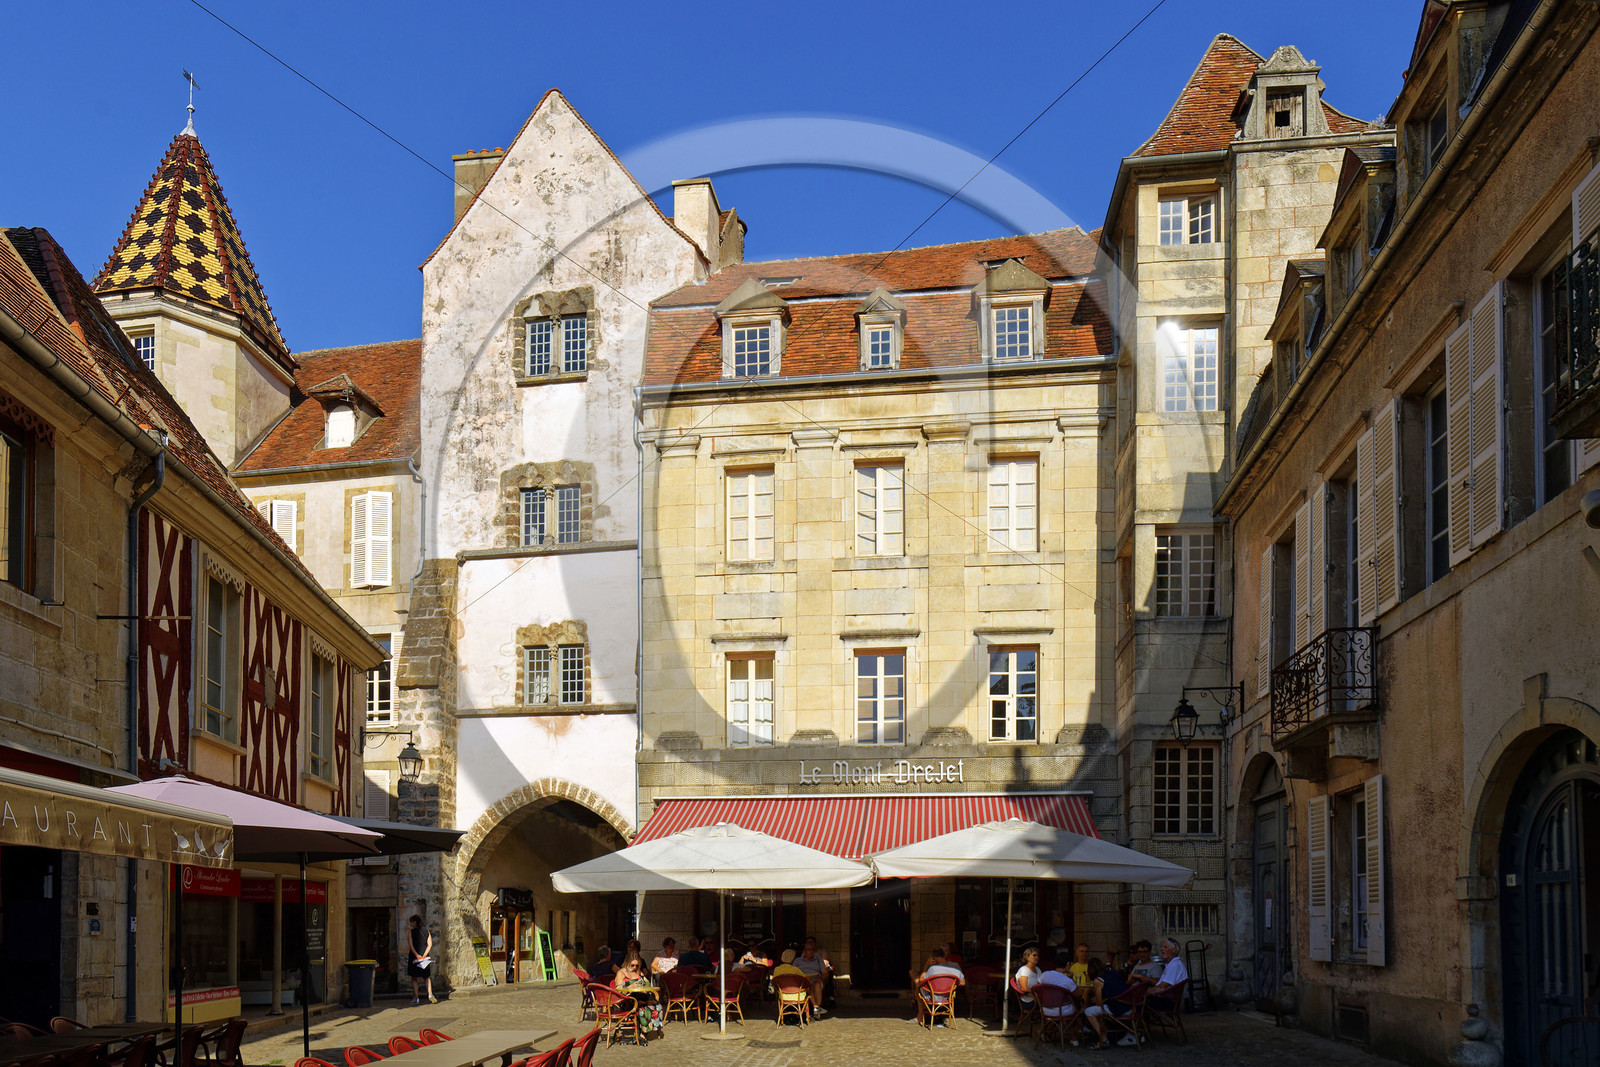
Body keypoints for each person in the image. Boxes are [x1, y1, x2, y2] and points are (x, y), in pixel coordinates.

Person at [1083, 958, 1129, 1050]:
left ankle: (1104, 1040)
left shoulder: (1098, 980)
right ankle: (1106, 1034)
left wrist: (1096, 999)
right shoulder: (1114, 973)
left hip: (1117, 1008)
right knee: (1099, 1010)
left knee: (1088, 1011)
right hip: (1129, 1006)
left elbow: (1099, 1004)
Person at [613, 951, 663, 1034]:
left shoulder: (639, 972)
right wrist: (630, 987)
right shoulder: (621, 973)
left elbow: (647, 984)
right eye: (632, 965)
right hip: (629, 999)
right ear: (627, 962)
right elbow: (618, 989)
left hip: (641, 996)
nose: (635, 967)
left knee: (657, 1005)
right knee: (643, 1008)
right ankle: (642, 1033)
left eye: (637, 965)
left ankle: (650, 1029)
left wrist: (644, 987)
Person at [916, 946, 965, 1026]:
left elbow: (921, 980)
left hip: (933, 997)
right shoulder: (955, 965)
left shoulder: (933, 968)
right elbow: (963, 983)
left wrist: (926, 965)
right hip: (948, 997)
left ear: (934, 958)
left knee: (917, 988)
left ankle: (921, 1015)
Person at [793, 937, 833, 1017]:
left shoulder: (818, 959)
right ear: (804, 951)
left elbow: (824, 972)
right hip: (803, 980)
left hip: (816, 978)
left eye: (812, 949)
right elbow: (793, 973)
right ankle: (816, 1008)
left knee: (816, 983)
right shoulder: (798, 960)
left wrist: (822, 978)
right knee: (809, 984)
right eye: (808, 949)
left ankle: (816, 1008)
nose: (811, 951)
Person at [405, 914, 436, 1005]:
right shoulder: (427, 931)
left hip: (415, 957)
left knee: (414, 978)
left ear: (414, 922)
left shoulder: (411, 932)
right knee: (426, 977)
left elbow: (410, 945)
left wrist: (417, 955)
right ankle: (430, 994)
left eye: (412, 922)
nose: (411, 924)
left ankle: (416, 997)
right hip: (425, 958)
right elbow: (430, 944)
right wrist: (424, 955)